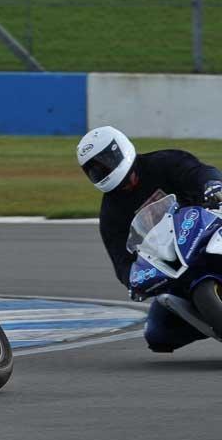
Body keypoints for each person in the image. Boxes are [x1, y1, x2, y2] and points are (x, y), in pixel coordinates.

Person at [77, 125, 222, 352]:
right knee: (157, 334)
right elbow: (121, 261)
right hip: (173, 265)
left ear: (120, 149)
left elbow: (200, 173)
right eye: (94, 169)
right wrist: (133, 280)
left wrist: (212, 186)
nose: (102, 170)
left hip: (205, 231)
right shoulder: (110, 215)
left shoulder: (164, 162)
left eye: (105, 161)